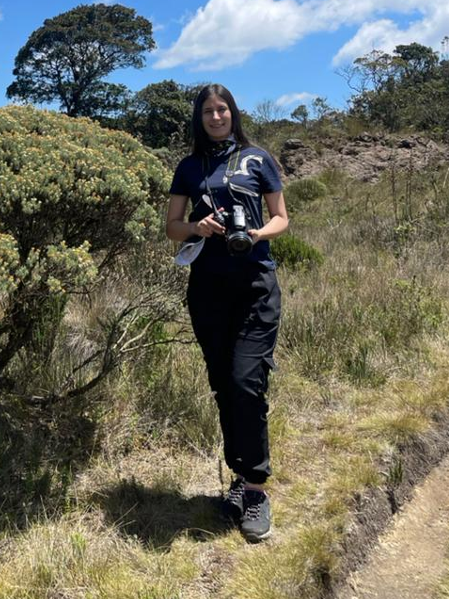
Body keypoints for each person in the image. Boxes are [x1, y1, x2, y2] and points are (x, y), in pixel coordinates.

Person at [166, 84, 289, 542]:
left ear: (233, 113)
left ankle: (255, 489)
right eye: (207, 111)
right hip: (208, 290)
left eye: (222, 110)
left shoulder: (259, 158)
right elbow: (171, 227)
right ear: (198, 118)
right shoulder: (188, 167)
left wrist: (256, 234)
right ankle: (238, 478)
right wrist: (197, 226)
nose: (215, 117)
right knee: (224, 386)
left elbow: (282, 218)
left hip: (256, 286)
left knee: (246, 382)